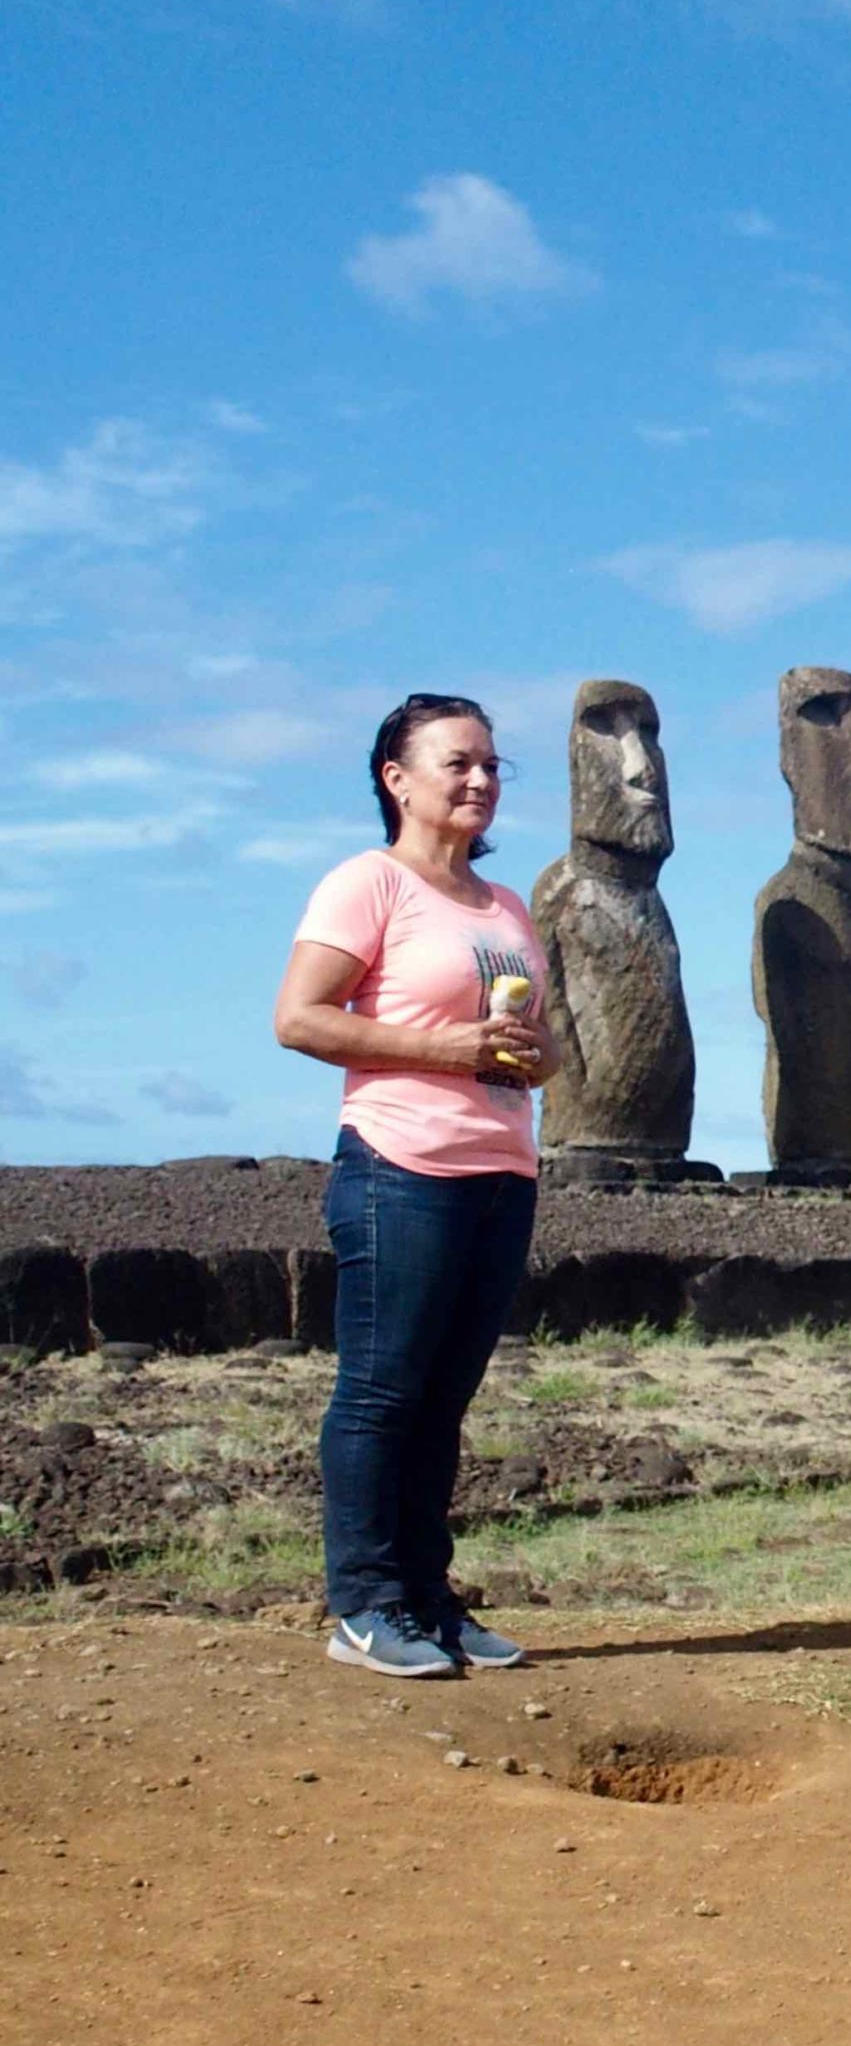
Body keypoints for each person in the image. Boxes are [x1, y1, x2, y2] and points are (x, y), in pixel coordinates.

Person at [274, 694, 557, 1679]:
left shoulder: (508, 907)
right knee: (381, 1391)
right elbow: (301, 1018)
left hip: (501, 1171)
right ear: (397, 776)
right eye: (457, 762)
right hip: (401, 1167)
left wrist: (530, 1058)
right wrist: (439, 1046)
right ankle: (363, 1601)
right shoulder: (368, 883)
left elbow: (537, 1048)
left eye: (491, 764)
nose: (480, 779)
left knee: (445, 1399)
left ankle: (429, 1600)